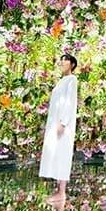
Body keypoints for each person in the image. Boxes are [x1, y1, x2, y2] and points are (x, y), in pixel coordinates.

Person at [38, 53, 79, 201]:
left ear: (72, 65)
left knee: (62, 153)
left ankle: (62, 191)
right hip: (55, 122)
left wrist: (63, 122)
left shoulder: (72, 80)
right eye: (60, 60)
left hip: (63, 123)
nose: (62, 63)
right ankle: (58, 189)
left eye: (65, 60)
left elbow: (70, 102)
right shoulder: (61, 81)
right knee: (55, 152)